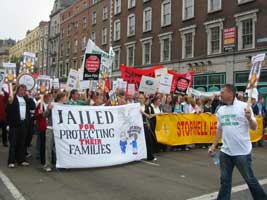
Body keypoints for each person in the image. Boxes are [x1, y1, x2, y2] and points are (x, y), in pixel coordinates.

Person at [208, 84, 267, 200]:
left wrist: (250, 118)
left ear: (230, 93)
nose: (220, 95)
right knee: (225, 181)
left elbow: (254, 127)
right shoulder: (220, 110)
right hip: (226, 153)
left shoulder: (244, 107)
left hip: (242, 153)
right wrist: (214, 145)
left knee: (250, 180)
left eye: (222, 92)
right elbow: (220, 129)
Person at [6, 84, 30, 168]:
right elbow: (7, 111)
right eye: (21, 90)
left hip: (23, 123)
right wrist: (9, 103)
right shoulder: (13, 98)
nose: (23, 92)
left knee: (22, 143)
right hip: (14, 124)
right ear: (17, 90)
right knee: (13, 143)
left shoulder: (26, 99)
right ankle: (11, 161)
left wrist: (29, 97)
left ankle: (21, 160)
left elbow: (32, 107)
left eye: (24, 90)